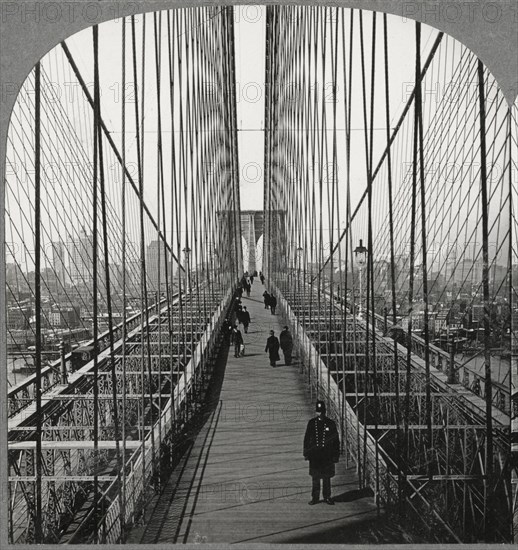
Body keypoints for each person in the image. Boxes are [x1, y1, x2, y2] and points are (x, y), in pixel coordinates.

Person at [303, 400, 340, 505]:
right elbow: (307, 439)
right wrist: (306, 452)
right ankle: (315, 497)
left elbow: (336, 440)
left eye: (322, 412)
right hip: (315, 455)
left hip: (326, 455)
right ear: (316, 412)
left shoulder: (330, 423)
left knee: (326, 477)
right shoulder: (311, 423)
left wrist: (335, 455)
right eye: (319, 412)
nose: (320, 414)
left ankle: (327, 496)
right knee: (315, 478)